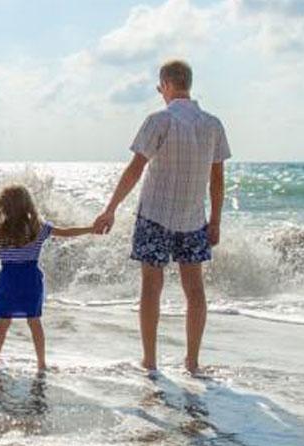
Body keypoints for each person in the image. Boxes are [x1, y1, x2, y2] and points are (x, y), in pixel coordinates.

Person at [91, 60, 230, 375]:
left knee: (151, 288)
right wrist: (216, 220)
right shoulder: (213, 124)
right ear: (188, 84)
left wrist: (110, 208)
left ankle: (150, 362)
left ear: (166, 85)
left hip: (155, 215)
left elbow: (136, 168)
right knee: (194, 290)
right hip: (194, 218)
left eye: (160, 87)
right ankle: (192, 362)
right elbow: (218, 179)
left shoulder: (159, 120)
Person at [0, 185, 95, 373]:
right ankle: (41, 364)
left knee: (3, 323)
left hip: (8, 279)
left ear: (4, 206)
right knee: (34, 322)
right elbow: (67, 232)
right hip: (30, 279)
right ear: (28, 205)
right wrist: (91, 228)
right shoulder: (38, 228)